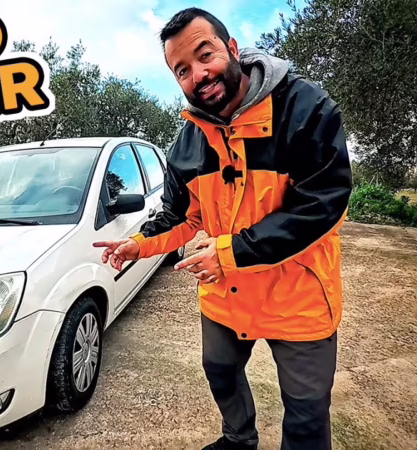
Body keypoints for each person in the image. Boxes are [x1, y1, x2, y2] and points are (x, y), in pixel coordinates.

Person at [92, 7, 353, 450]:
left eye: (205, 55)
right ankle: (238, 439)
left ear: (232, 48)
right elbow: (180, 216)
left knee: (307, 411)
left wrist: (229, 254)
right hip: (225, 296)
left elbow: (322, 204)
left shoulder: (305, 108)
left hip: (299, 296)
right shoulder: (187, 143)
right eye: (182, 70)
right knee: (220, 371)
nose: (198, 74)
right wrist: (138, 244)